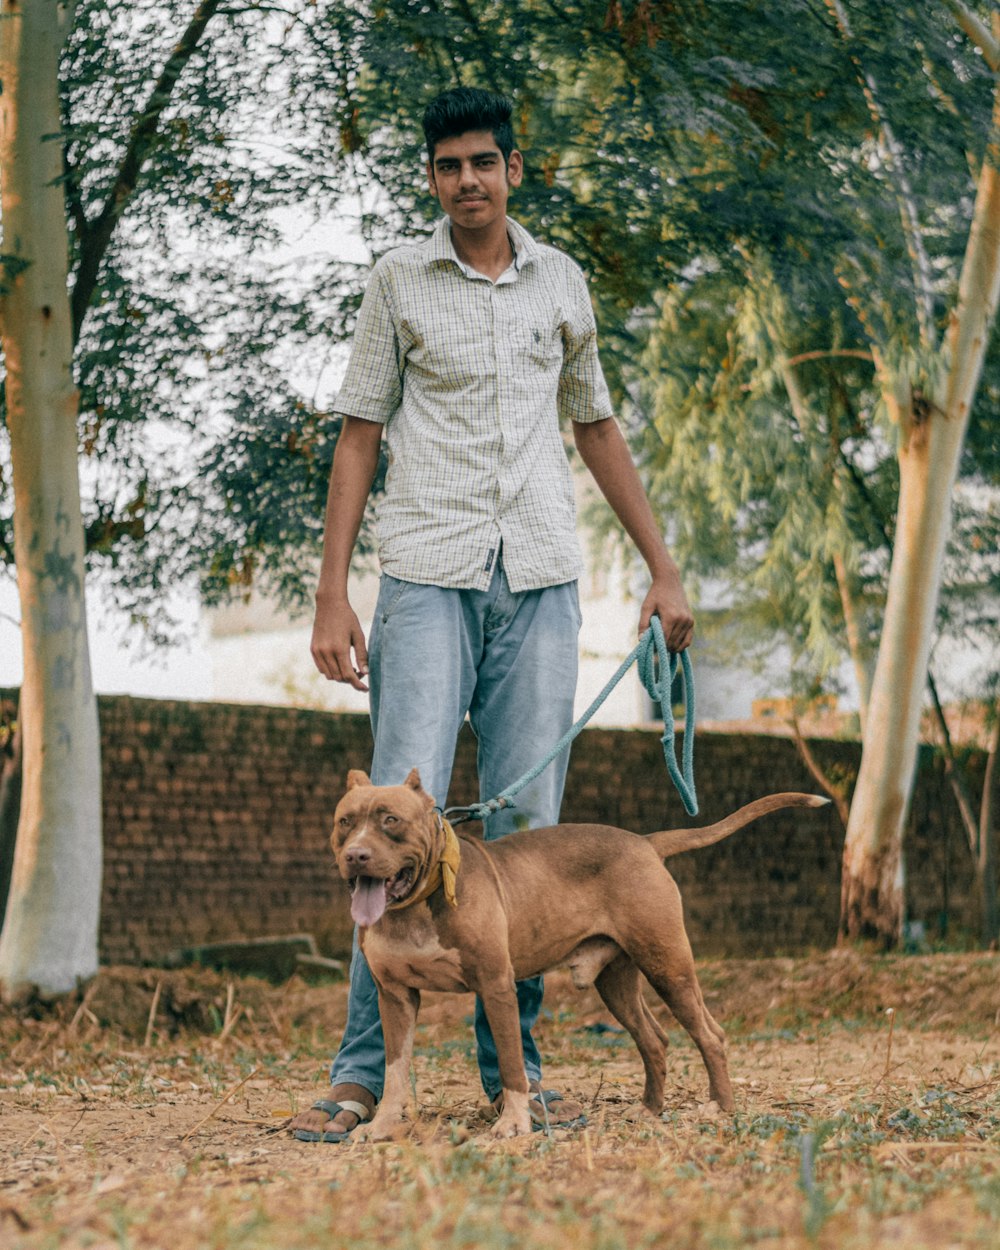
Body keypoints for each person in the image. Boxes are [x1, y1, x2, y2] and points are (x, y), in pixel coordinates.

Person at [289, 86, 693, 1143]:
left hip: (545, 579)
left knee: (526, 836)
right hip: (426, 573)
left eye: (482, 162)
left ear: (515, 168)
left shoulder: (560, 281)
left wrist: (661, 568)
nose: (465, 180)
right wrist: (332, 592)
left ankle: (517, 1079)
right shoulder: (397, 281)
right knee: (385, 833)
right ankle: (361, 1077)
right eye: (445, 166)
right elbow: (358, 435)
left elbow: (597, 426)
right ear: (431, 179)